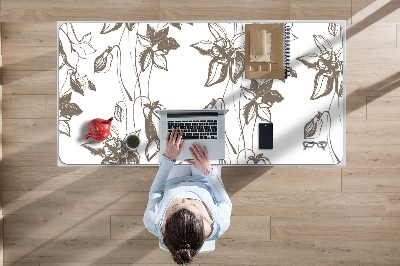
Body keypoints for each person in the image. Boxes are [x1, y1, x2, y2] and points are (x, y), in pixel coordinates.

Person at [144, 127, 232, 264]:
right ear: (204, 222)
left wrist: (168, 159)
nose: (184, 198)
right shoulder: (219, 224)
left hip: (173, 181)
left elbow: (156, 192)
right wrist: (208, 171)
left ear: (165, 224)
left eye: (176, 206)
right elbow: (224, 202)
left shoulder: (153, 222)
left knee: (173, 143)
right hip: (205, 180)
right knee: (208, 138)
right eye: (192, 205)